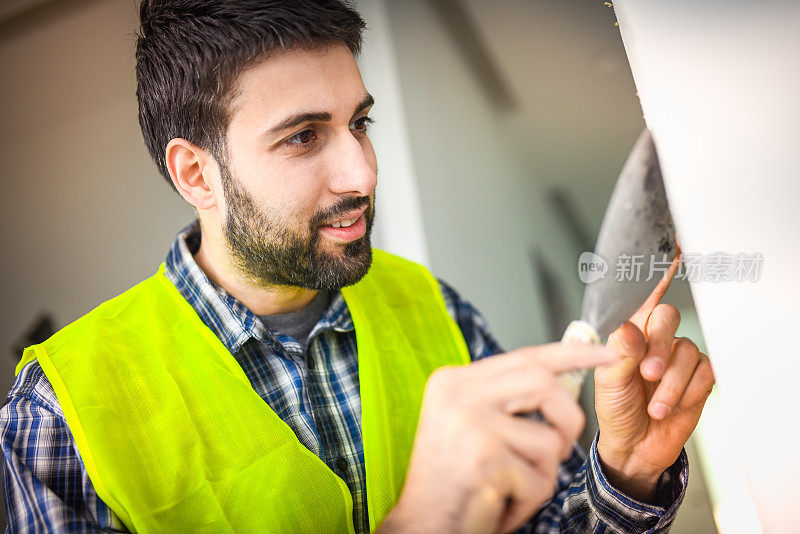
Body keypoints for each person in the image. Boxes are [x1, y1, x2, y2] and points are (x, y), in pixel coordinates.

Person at [0, 1, 715, 532]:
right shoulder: (55, 416)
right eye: (304, 137)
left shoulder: (432, 306)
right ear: (196, 174)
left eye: (359, 124)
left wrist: (626, 469)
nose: (361, 174)